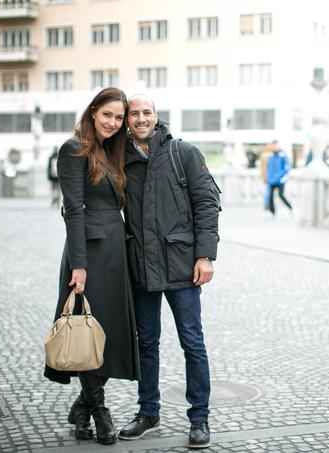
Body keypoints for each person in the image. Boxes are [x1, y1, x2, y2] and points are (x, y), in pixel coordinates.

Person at [120, 94, 219, 449]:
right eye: (134, 114)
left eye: (146, 112)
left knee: (192, 342)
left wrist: (205, 255)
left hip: (182, 266)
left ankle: (199, 417)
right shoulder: (121, 159)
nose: (141, 118)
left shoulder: (183, 153)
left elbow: (207, 203)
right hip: (141, 268)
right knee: (145, 343)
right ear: (127, 120)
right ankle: (149, 412)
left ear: (156, 117)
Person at [44, 87, 140, 446]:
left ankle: (81, 409)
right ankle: (100, 411)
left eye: (119, 118)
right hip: (88, 255)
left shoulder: (112, 151)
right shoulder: (73, 149)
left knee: (110, 334)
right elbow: (73, 210)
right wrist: (79, 266)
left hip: (115, 253)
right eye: (108, 115)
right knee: (87, 331)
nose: (113, 123)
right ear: (93, 112)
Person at [266, 140, 293, 216]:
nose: (275, 147)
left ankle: (290, 208)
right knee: (270, 196)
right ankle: (272, 212)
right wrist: (269, 177)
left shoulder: (283, 155)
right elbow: (269, 167)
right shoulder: (271, 155)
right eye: (273, 145)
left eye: (276, 145)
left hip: (280, 180)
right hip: (272, 179)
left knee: (281, 195)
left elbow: (287, 167)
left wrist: (282, 176)